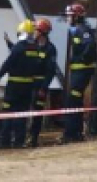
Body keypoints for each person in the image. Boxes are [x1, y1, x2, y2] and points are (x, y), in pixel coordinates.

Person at [0, 19, 42, 148]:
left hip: (14, 87)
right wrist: (9, 43)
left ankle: (5, 141)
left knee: (8, 112)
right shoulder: (36, 49)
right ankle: (19, 141)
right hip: (28, 87)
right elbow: (21, 53)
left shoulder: (18, 48)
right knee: (22, 114)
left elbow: (8, 63)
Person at [62, 2, 97, 143]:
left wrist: (82, 59)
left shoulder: (83, 30)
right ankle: (74, 133)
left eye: (70, 16)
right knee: (73, 101)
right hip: (77, 71)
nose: (67, 19)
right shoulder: (77, 29)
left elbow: (90, 46)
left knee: (73, 102)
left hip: (81, 71)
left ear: (76, 17)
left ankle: (72, 134)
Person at [28, 17, 61, 147]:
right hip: (27, 83)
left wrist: (43, 88)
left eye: (36, 30)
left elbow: (50, 71)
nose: (34, 32)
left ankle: (33, 137)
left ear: (42, 32)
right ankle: (21, 136)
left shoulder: (50, 49)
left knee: (37, 112)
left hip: (40, 85)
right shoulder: (30, 45)